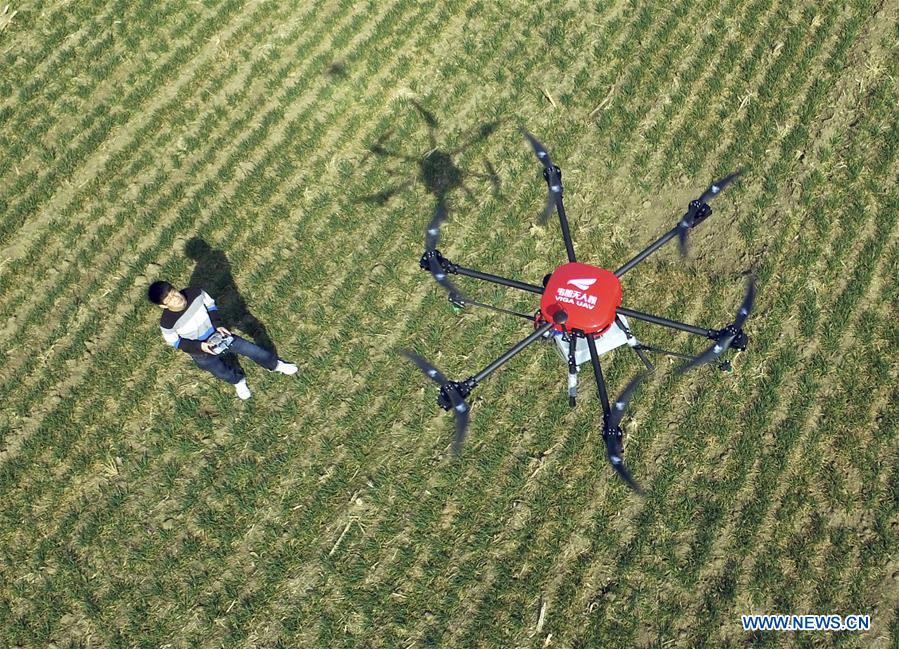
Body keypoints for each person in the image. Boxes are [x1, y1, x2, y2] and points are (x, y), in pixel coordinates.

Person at [147, 280, 297, 400]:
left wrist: (218, 325)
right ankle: (238, 381)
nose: (176, 298)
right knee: (221, 371)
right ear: (163, 305)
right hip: (201, 352)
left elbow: (211, 306)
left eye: (174, 292)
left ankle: (275, 365)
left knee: (252, 350)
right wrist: (200, 346)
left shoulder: (196, 293)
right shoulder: (167, 323)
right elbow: (176, 342)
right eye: (170, 299)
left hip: (220, 335)